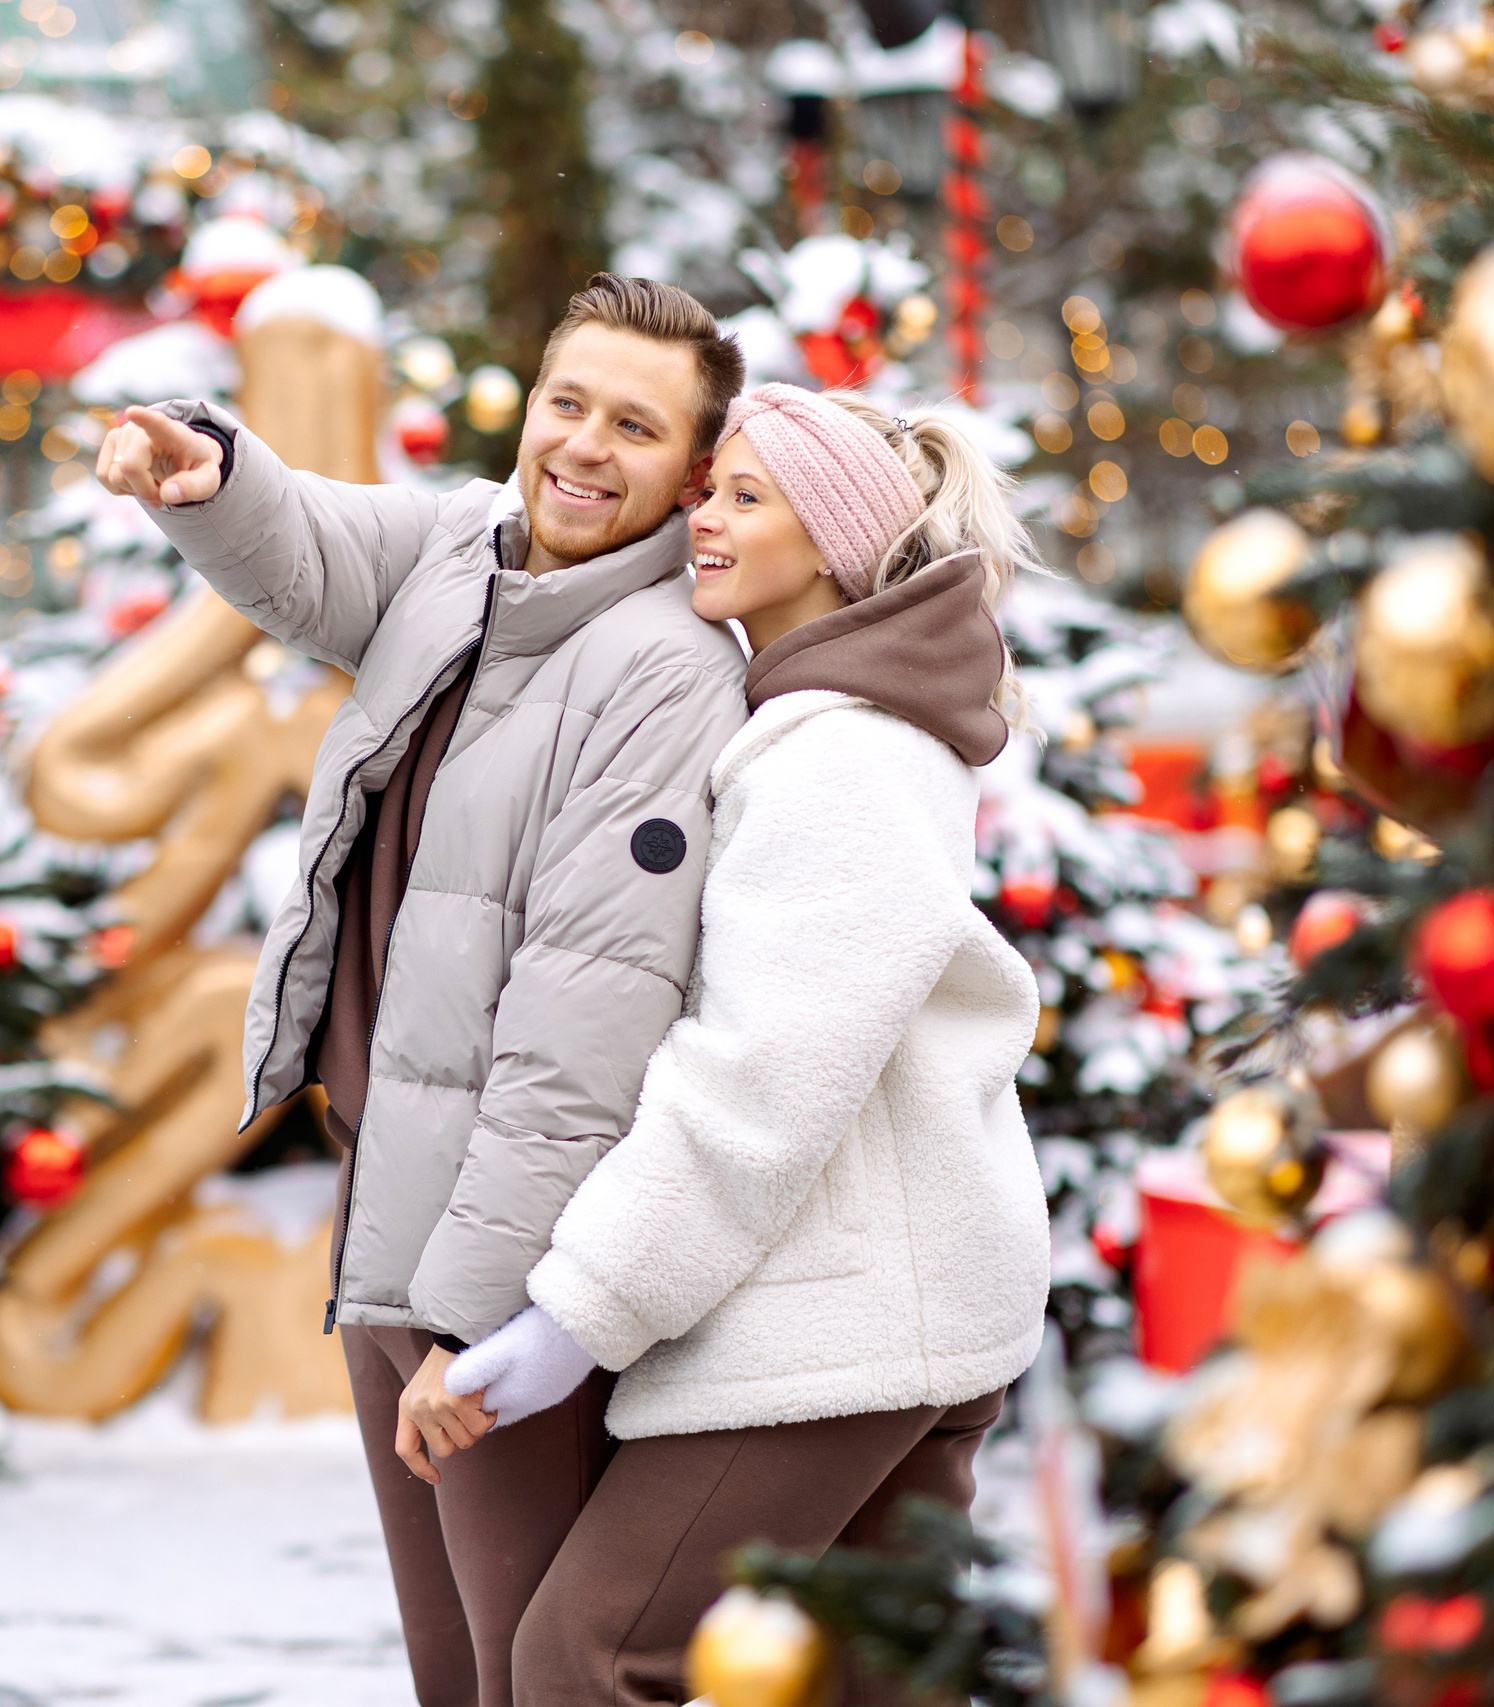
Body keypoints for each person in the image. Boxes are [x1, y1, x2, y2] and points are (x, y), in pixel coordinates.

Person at [93, 275, 750, 1707]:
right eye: (565, 402)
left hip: (500, 1263)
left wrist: (478, 1317)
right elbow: (314, 542)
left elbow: (586, 1030)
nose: (582, 445)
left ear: (697, 471)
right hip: (390, 1196)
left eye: (634, 427)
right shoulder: (465, 547)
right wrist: (211, 470)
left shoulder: (666, 668)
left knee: (536, 1675)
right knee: (456, 1673)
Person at [445, 383, 1054, 1705]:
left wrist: (581, 1312)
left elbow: (761, 1080)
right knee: (867, 1683)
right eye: (707, 488)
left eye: (743, 498)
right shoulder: (829, 729)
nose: (699, 519)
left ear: (831, 543)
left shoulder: (840, 759)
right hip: (904, 1295)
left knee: (591, 1655)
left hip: (849, 1320)